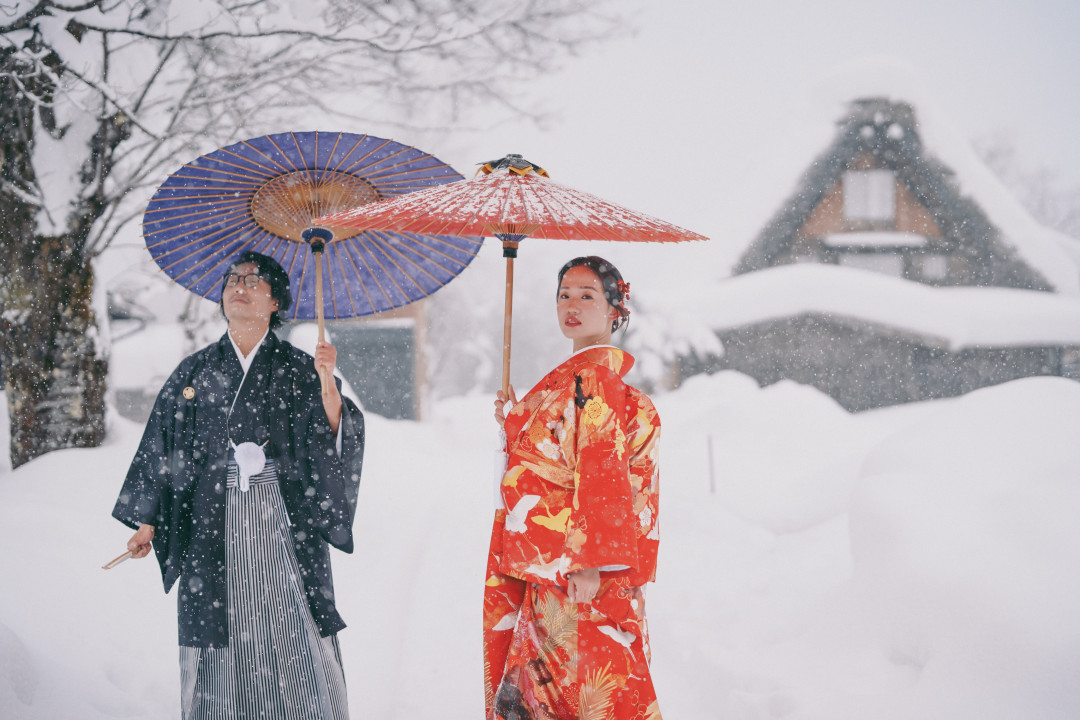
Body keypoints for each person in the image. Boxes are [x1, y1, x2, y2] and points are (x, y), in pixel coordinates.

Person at [112, 251, 364, 719]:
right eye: (233, 279)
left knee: (293, 625)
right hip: (211, 517)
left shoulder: (299, 368)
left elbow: (332, 441)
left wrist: (328, 390)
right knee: (216, 637)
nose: (239, 287)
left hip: (281, 517)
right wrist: (148, 518)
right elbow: (163, 446)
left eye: (253, 281)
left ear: (275, 302)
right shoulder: (193, 372)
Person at [483, 256, 663, 720]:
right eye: (565, 295)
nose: (573, 305)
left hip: (578, 571)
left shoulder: (594, 380)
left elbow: (601, 471)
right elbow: (550, 457)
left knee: (582, 692)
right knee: (560, 692)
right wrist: (516, 421)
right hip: (557, 567)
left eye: (588, 296)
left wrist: (593, 562)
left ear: (614, 310)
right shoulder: (576, 379)